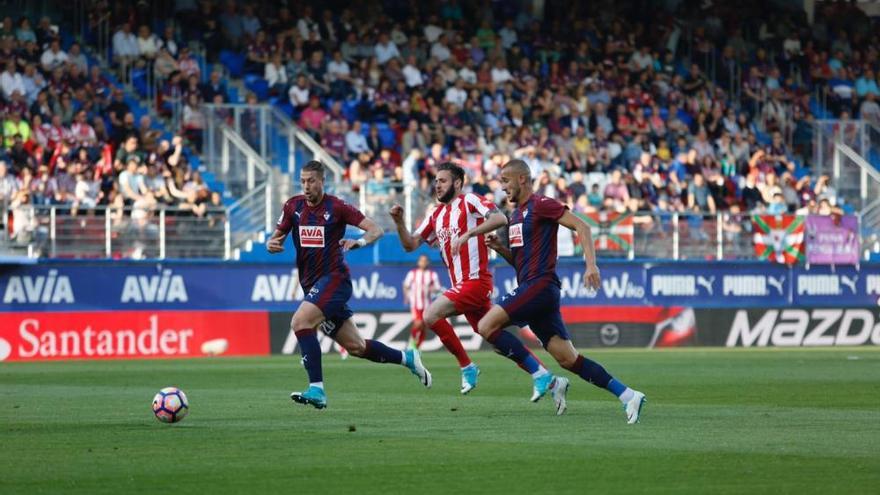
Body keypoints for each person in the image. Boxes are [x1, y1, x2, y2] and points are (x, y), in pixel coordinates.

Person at [480, 159, 646, 421]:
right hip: (531, 287)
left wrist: (591, 265)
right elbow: (520, 264)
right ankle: (628, 396)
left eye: (505, 180)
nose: (502, 187)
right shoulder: (513, 218)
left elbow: (583, 226)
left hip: (541, 284)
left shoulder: (542, 204)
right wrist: (500, 250)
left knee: (486, 326)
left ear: (522, 179)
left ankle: (543, 377)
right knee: (569, 360)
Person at [267, 161, 431, 409]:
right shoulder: (293, 206)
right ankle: (407, 358)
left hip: (335, 280)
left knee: (300, 321)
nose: (306, 186)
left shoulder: (337, 207)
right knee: (357, 347)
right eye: (302, 181)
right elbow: (276, 236)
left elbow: (375, 229)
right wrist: (273, 244)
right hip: (311, 284)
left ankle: (317, 390)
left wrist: (359, 242)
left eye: (311, 180)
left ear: (322, 181)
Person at [390, 162, 548, 396]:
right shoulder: (435, 214)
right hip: (461, 285)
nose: (437, 185)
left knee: (431, 314)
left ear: (457, 183)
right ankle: (543, 375)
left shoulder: (470, 201)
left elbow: (500, 219)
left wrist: (468, 234)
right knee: (491, 334)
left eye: (442, 181)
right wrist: (399, 222)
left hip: (476, 281)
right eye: (435, 181)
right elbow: (410, 245)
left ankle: (467, 366)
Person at [403, 254, 442, 349]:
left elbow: (437, 288)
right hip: (415, 303)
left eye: (425, 261)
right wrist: (406, 297)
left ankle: (417, 347)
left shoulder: (432, 274)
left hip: (426, 304)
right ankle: (411, 344)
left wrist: (433, 289)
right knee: (418, 323)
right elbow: (406, 286)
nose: (423, 262)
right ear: (418, 262)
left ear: (428, 262)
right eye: (421, 260)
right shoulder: (412, 273)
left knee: (424, 327)